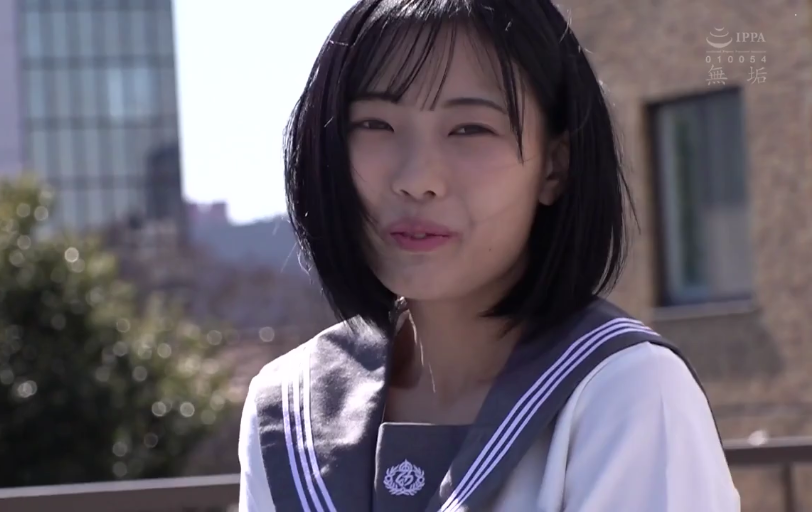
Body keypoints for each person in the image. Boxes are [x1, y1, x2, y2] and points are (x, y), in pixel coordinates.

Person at [237, 0, 741, 510]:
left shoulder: (626, 390)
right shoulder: (291, 412)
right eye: (375, 125)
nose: (417, 179)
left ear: (554, 167)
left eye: (470, 129)